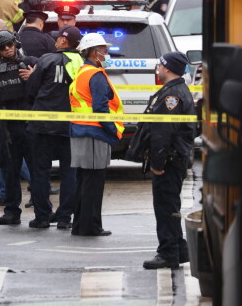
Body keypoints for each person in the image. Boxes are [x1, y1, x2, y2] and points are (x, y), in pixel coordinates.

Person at [133, 52, 195, 269]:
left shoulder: (172, 96)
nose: (157, 68)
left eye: (160, 65)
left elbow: (163, 132)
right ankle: (179, 248)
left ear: (167, 68)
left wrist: (158, 163)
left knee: (165, 207)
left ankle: (168, 253)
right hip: (173, 159)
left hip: (169, 162)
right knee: (170, 205)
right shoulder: (174, 91)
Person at [27, 25, 84, 229]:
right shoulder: (82, 65)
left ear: (62, 41)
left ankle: (42, 216)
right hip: (71, 127)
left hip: (42, 125)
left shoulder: (47, 60)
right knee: (70, 173)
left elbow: (32, 89)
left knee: (40, 172)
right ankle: (64, 217)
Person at [69, 32, 124, 236]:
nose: (106, 52)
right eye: (103, 49)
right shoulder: (95, 75)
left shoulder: (82, 72)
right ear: (93, 52)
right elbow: (101, 108)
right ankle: (90, 227)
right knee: (93, 182)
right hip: (94, 133)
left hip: (80, 131)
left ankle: (80, 225)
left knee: (84, 181)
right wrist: (112, 131)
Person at [0, 31, 40, 227]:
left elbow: (48, 85)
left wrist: (34, 76)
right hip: (9, 130)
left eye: (9, 45)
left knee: (37, 171)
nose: (7, 49)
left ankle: (42, 212)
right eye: (2, 47)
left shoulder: (33, 62)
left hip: (32, 127)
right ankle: (11, 211)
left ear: (15, 44)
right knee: (10, 172)